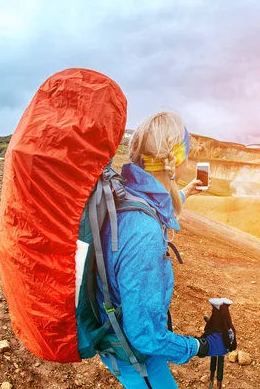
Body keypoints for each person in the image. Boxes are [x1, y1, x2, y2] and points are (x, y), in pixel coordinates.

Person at [96, 111, 229, 388]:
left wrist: (186, 192)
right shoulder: (143, 234)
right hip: (136, 357)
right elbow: (145, 336)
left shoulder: (127, 194)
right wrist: (201, 346)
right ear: (177, 159)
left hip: (114, 337)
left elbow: (152, 204)